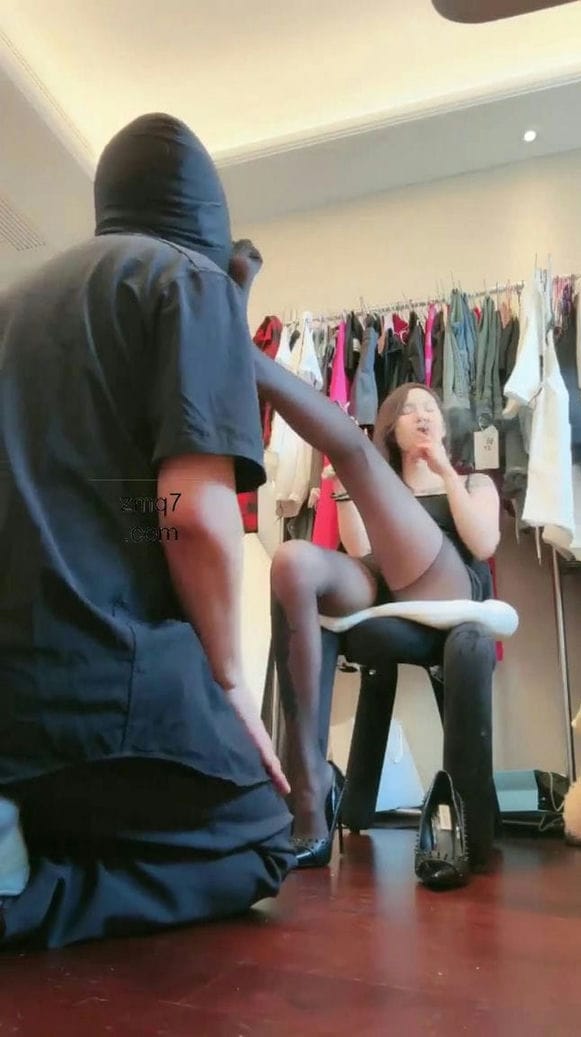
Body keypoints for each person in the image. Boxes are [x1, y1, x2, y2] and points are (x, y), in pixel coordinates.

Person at [0, 114, 295, 951]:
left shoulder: (12, 303)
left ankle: (19, 827)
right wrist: (230, 683)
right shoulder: (190, 281)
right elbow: (191, 513)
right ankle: (25, 899)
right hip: (101, 679)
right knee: (260, 839)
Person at [230, 242, 500, 868]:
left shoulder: (473, 483)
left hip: (450, 590)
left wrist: (446, 473)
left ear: (444, 426)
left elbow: (484, 545)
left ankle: (243, 354)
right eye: (409, 410)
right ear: (392, 428)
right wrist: (347, 491)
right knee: (293, 561)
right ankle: (309, 795)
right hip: (388, 587)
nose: (423, 415)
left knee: (350, 452)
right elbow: (360, 552)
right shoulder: (382, 484)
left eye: (431, 408)